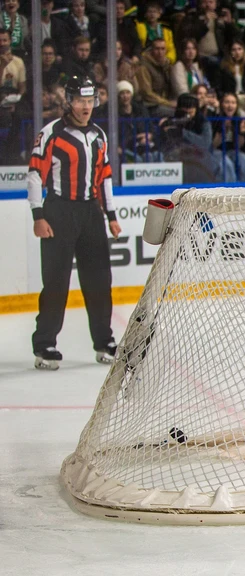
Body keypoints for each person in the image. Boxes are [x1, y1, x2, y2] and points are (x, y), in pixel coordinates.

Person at [28, 75, 121, 371]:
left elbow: (105, 177)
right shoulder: (52, 133)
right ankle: (45, 345)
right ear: (68, 101)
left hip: (90, 212)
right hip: (59, 212)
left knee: (99, 280)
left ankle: (104, 342)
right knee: (56, 281)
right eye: (80, 100)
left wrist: (111, 216)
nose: (86, 106)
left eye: (90, 101)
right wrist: (38, 215)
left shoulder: (98, 136)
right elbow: (34, 175)